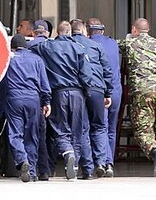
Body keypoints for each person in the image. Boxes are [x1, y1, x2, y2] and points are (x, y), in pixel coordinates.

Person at [30, 20, 92, 180]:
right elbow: (86, 74)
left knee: (59, 128)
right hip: (77, 93)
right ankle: (75, 166)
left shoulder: (48, 46)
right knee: (77, 130)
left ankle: (67, 152)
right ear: (70, 32)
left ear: (57, 32)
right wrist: (87, 92)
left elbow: (32, 46)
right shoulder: (79, 48)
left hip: (58, 93)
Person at [117, 18, 156, 177]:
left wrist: (129, 38)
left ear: (134, 30)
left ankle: (155, 153)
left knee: (143, 130)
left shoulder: (129, 43)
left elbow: (113, 46)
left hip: (142, 91)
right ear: (148, 30)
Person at [5, 34, 51, 182]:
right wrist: (47, 102)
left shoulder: (9, 59)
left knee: (15, 134)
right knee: (32, 135)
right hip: (33, 99)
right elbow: (44, 84)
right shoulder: (37, 59)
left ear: (13, 47)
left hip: (14, 99)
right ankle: (31, 171)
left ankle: (22, 159)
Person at [70, 19, 112, 179]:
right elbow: (106, 71)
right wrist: (107, 93)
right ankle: (101, 163)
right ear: (84, 31)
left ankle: (86, 168)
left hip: (79, 90)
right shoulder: (96, 46)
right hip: (97, 90)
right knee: (100, 127)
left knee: (82, 129)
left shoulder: (70, 45)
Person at [87, 17, 121, 177]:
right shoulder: (113, 44)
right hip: (116, 90)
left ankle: (101, 161)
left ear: (88, 30)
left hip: (101, 91)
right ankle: (110, 164)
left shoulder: (89, 45)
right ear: (103, 29)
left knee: (100, 126)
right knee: (111, 129)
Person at [26, 19, 53, 180]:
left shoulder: (27, 48)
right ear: (48, 33)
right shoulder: (54, 46)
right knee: (49, 135)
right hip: (53, 93)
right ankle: (47, 168)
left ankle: (33, 169)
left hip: (35, 96)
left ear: (33, 33)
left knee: (32, 134)